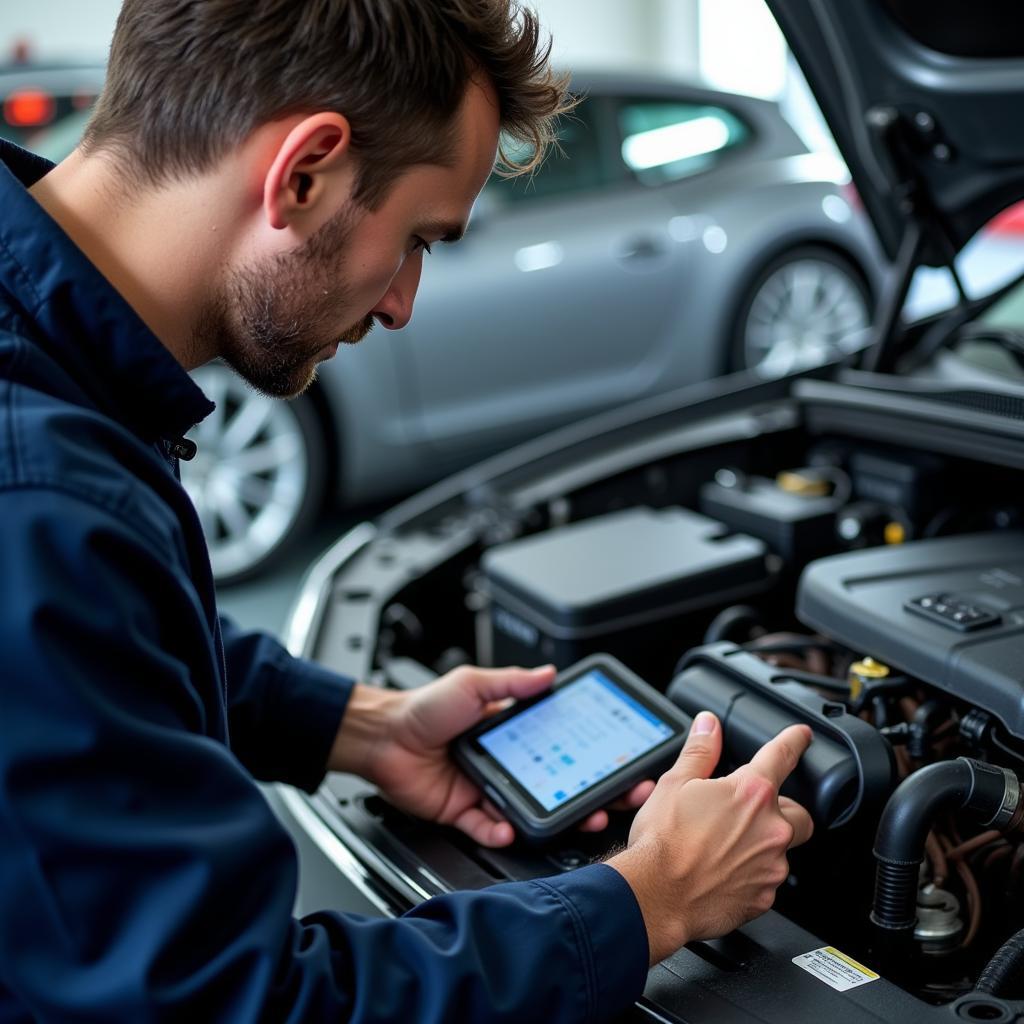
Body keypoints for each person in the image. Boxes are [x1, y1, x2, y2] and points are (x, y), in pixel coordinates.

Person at [0, 1, 814, 1020]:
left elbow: (99, 648)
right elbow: (226, 1005)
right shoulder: (41, 503)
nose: (402, 304)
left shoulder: (49, 405)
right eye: (419, 238)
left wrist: (362, 725)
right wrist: (646, 900)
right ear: (305, 173)